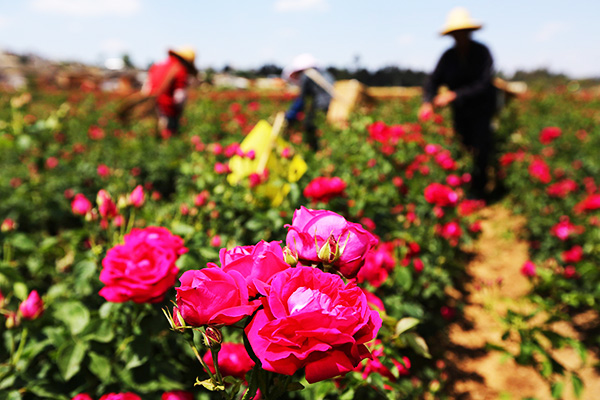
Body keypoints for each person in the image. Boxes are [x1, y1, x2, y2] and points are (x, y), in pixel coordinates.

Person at [419, 7, 497, 199]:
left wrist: (455, 95)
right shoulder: (448, 57)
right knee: (462, 146)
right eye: (455, 34)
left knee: (480, 148)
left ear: (469, 32)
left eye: (462, 33)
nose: (458, 37)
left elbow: (483, 84)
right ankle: (466, 189)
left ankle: (480, 192)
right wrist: (427, 101)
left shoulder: (482, 52)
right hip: (461, 112)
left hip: (481, 108)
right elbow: (432, 81)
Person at [282, 54, 335, 151]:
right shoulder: (325, 74)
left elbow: (301, 100)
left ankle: (314, 150)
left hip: (320, 106)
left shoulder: (306, 75)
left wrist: (289, 116)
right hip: (333, 106)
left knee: (309, 126)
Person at [142, 46, 197, 138]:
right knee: (169, 137)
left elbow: (146, 88)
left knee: (153, 135)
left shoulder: (157, 65)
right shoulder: (180, 70)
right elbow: (179, 97)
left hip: (152, 107)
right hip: (167, 109)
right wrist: (179, 111)